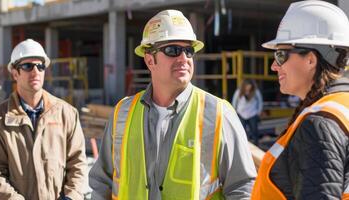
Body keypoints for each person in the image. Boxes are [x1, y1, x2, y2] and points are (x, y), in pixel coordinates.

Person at [89, 9, 257, 199]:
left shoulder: (218, 113)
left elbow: (243, 187)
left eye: (188, 50)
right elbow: (103, 181)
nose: (184, 58)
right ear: (149, 59)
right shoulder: (123, 113)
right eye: (173, 50)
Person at [251, 1, 349, 199]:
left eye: (280, 55)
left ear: (311, 60)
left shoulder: (319, 125)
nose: (274, 66)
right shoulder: (340, 107)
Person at [0, 39, 87, 200]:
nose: (35, 71)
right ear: (15, 73)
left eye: (40, 66)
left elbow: (77, 163)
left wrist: (71, 196)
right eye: (28, 66)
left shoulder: (67, 113)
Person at [232, 79, 263, 145]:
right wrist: (234, 113)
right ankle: (244, 145)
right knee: (242, 131)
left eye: (250, 87)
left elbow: (260, 102)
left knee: (254, 131)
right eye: (247, 86)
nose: (248, 88)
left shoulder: (256, 91)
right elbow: (234, 102)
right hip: (241, 114)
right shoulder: (238, 92)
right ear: (244, 86)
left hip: (252, 114)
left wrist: (258, 112)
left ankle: (256, 145)